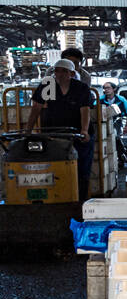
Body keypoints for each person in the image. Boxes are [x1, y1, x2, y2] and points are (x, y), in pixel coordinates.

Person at [25, 59, 94, 201]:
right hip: (55, 133)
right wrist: (28, 130)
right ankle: (56, 199)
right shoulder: (48, 86)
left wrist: (84, 130)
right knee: (54, 166)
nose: (60, 74)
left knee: (80, 169)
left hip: (77, 134)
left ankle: (79, 202)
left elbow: (85, 110)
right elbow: (36, 108)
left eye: (64, 71)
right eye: (57, 70)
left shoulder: (80, 88)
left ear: (72, 73)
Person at [102, 81, 127, 168]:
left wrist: (126, 126)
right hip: (104, 123)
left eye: (108, 88)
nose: (106, 90)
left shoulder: (121, 100)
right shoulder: (100, 99)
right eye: (105, 88)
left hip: (117, 122)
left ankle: (121, 156)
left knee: (115, 137)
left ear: (114, 89)